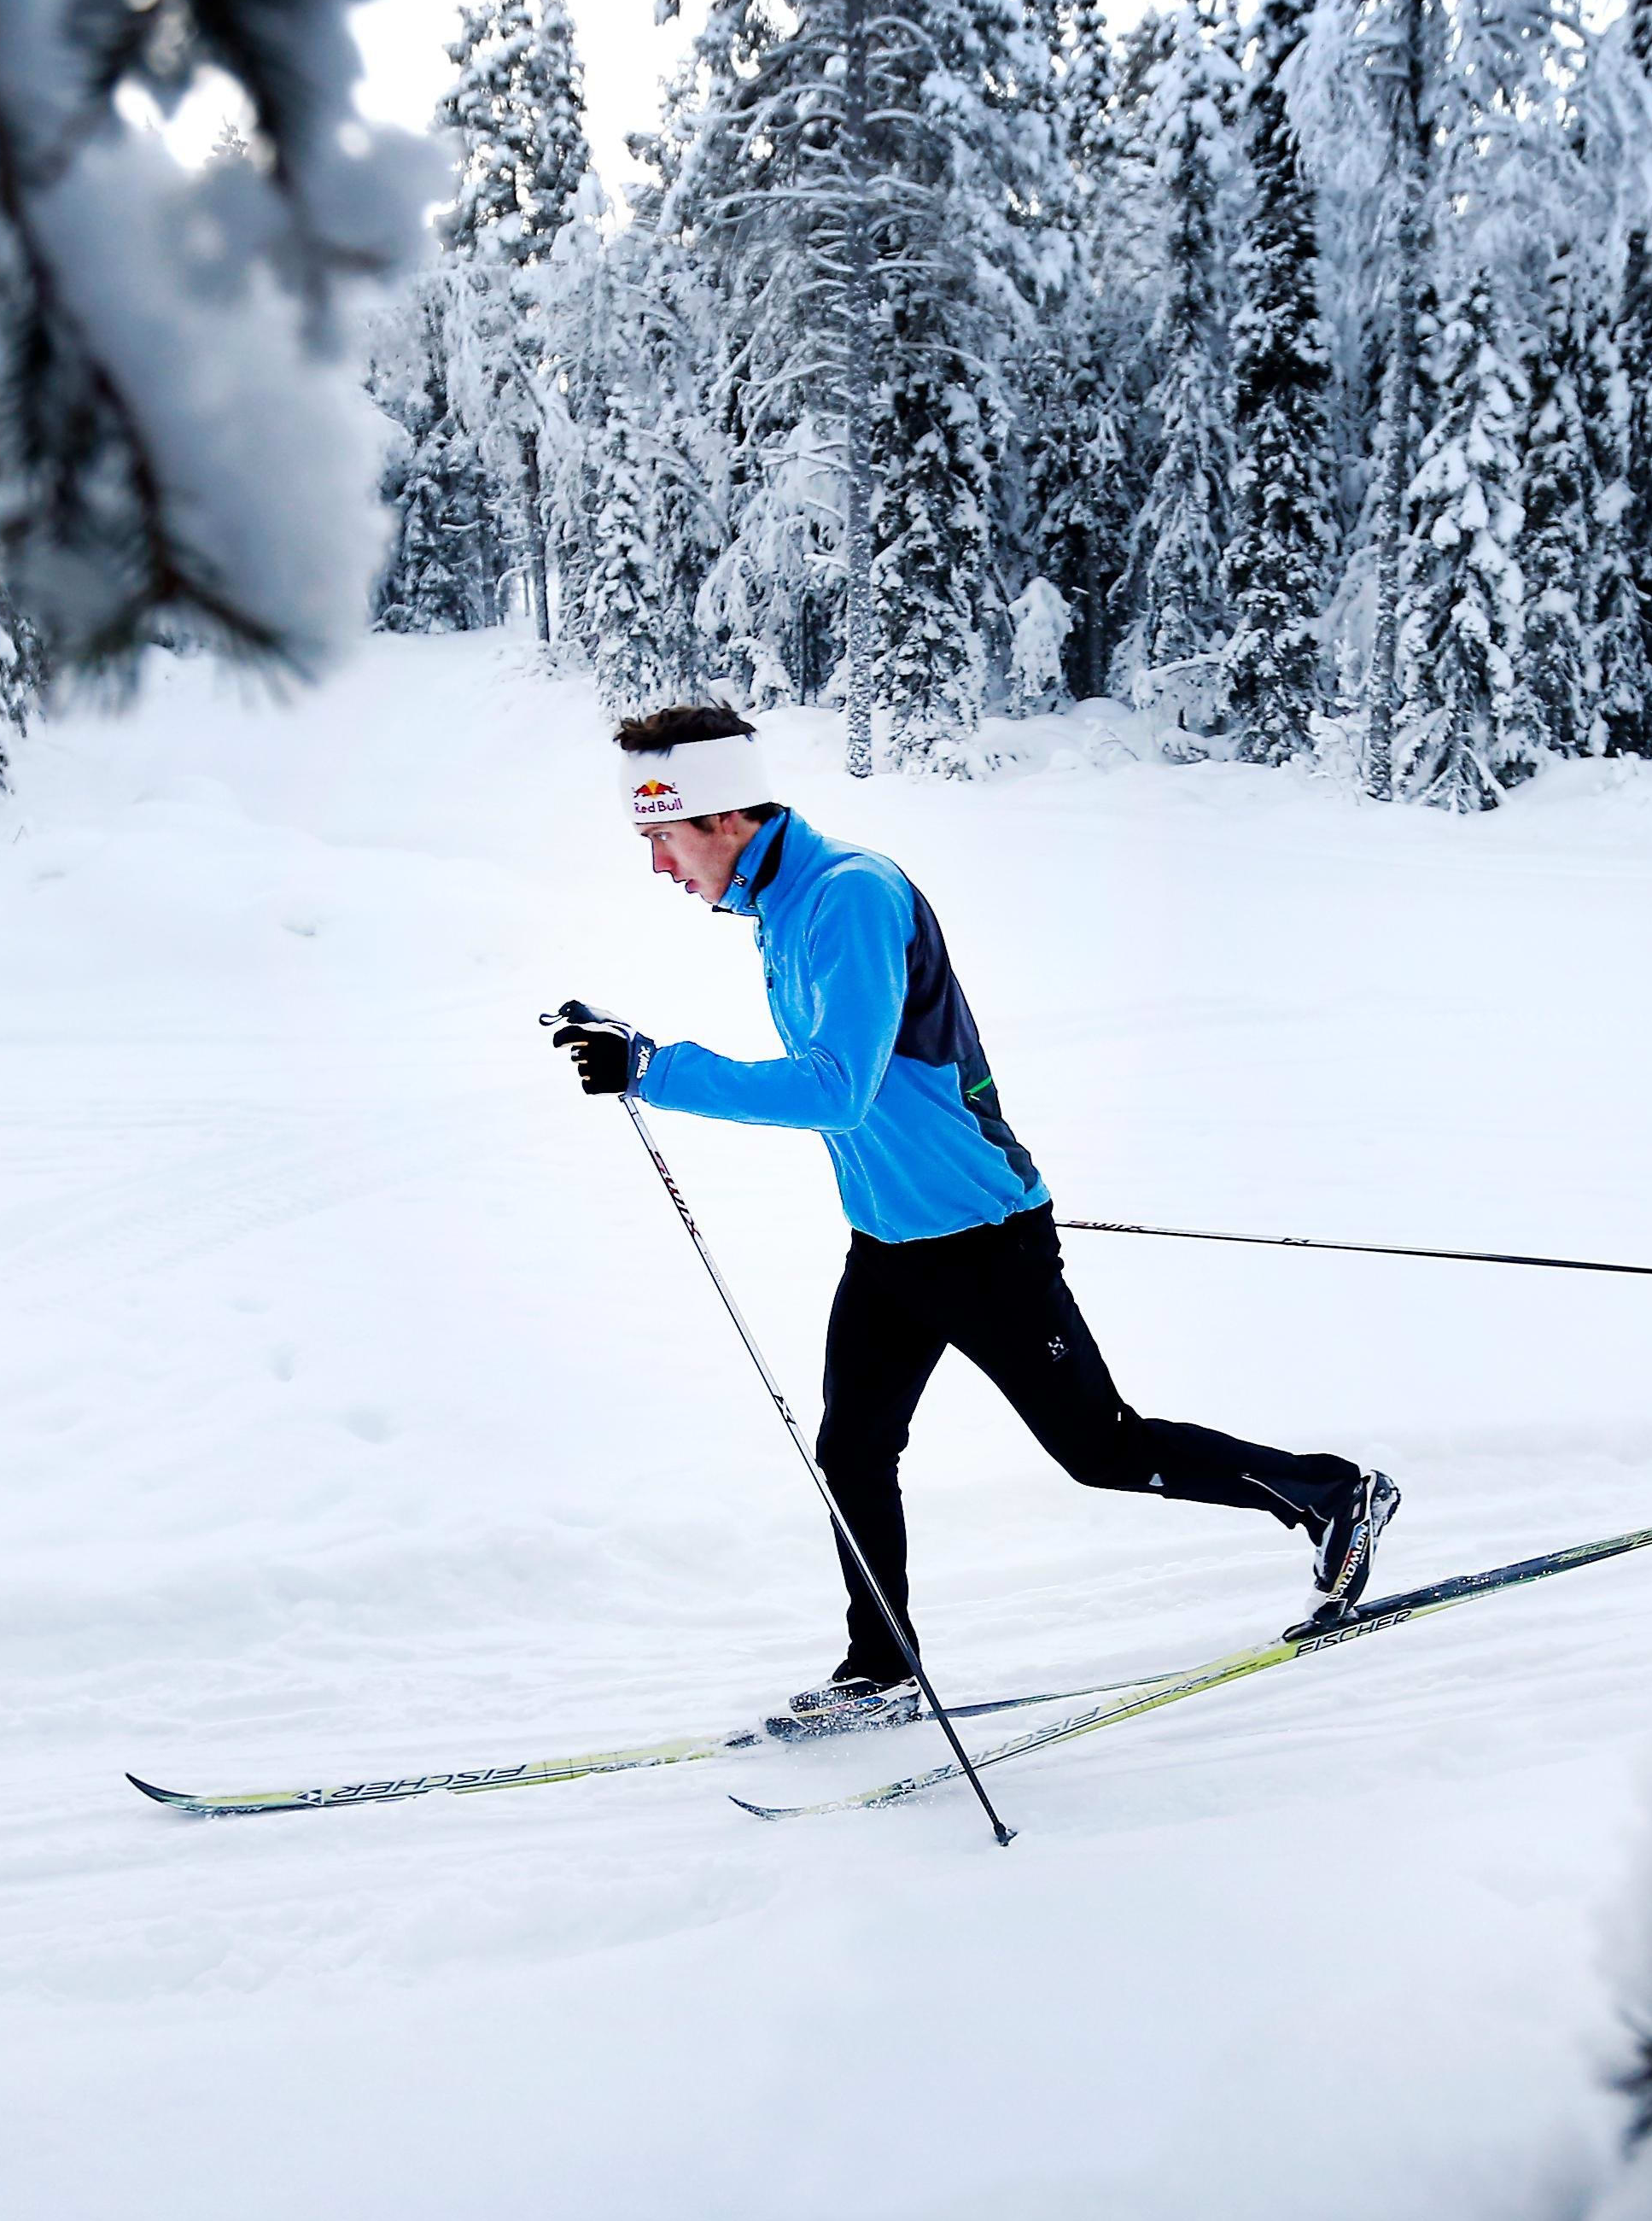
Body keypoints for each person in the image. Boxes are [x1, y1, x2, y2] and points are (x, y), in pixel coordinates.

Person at [553, 704, 1397, 1727]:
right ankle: (882, 1668)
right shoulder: (785, 903)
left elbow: (838, 1089)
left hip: (982, 1240)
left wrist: (657, 1067)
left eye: (664, 839)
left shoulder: (849, 896)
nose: (658, 868)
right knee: (853, 1451)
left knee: (1103, 1450)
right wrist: (642, 1054)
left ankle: (1331, 1494)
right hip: (892, 1242)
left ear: (725, 817)